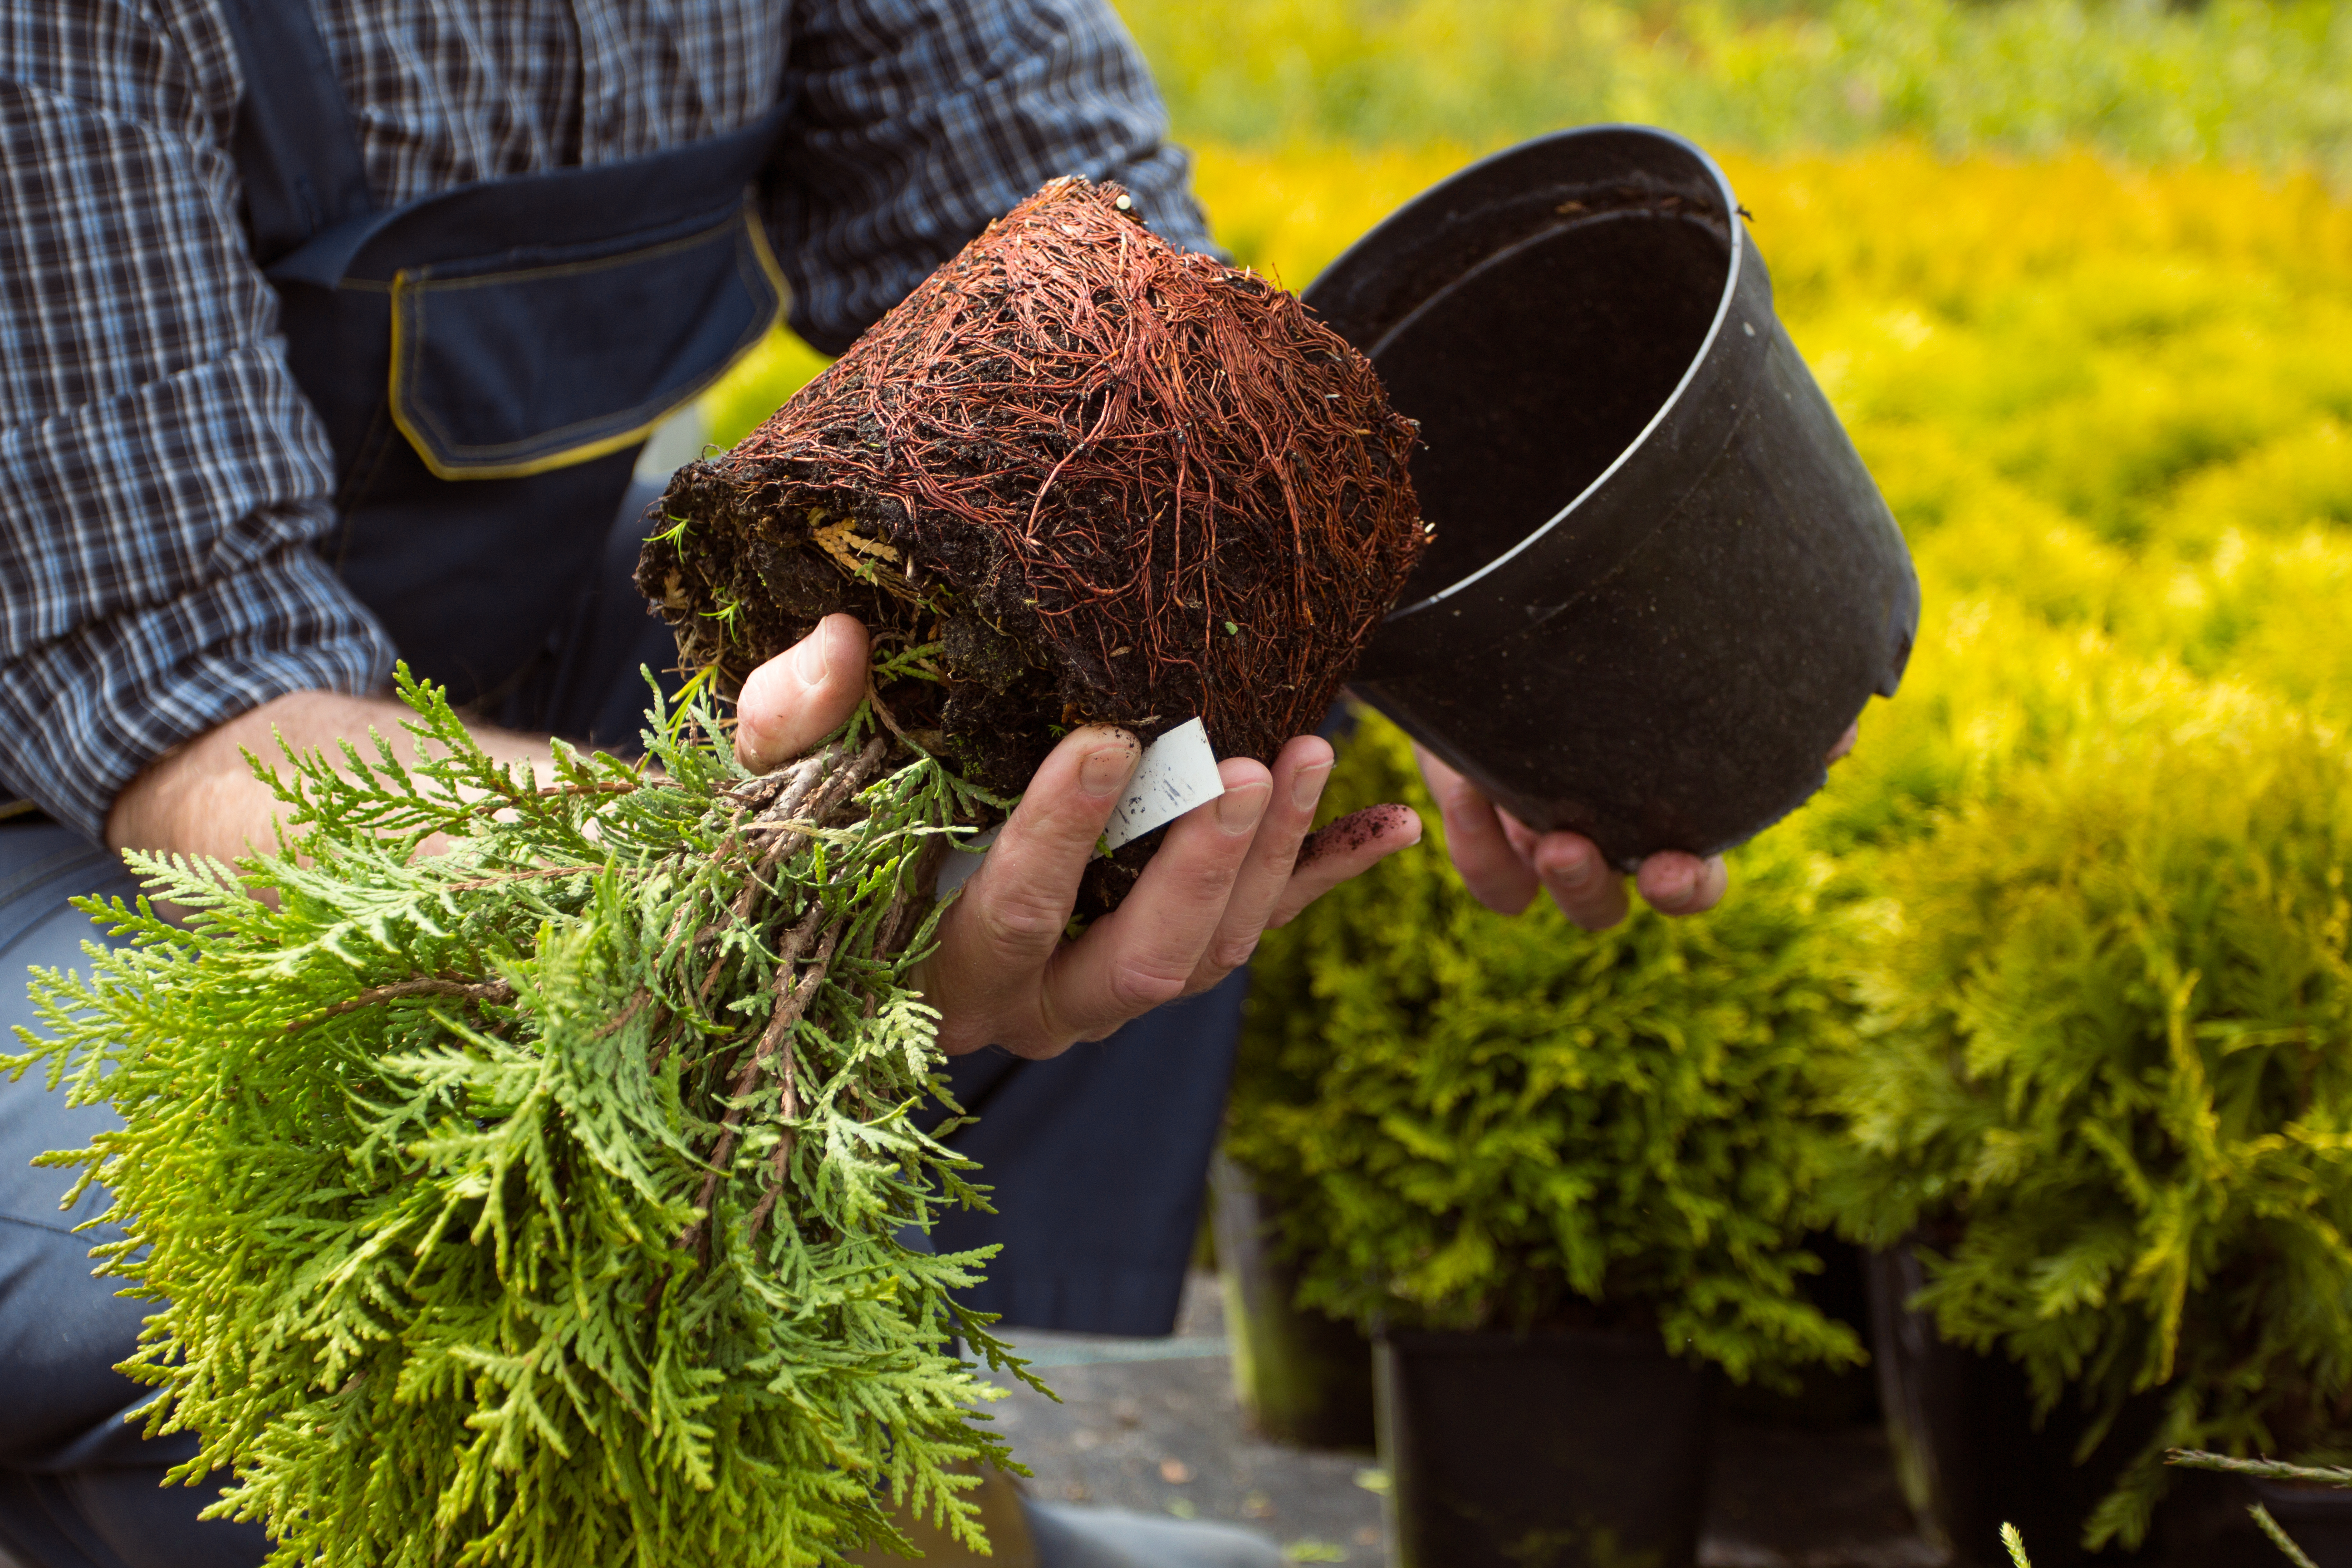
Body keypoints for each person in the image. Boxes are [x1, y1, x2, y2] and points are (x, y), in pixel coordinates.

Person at [0, 0, 1732, 1563]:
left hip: (489, 660)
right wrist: (757, 898)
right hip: (100, 800)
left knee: (1165, 744)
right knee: (356, 1256)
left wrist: (1437, 646)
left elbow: (1123, 336)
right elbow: (187, 703)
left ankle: (891, 1481)